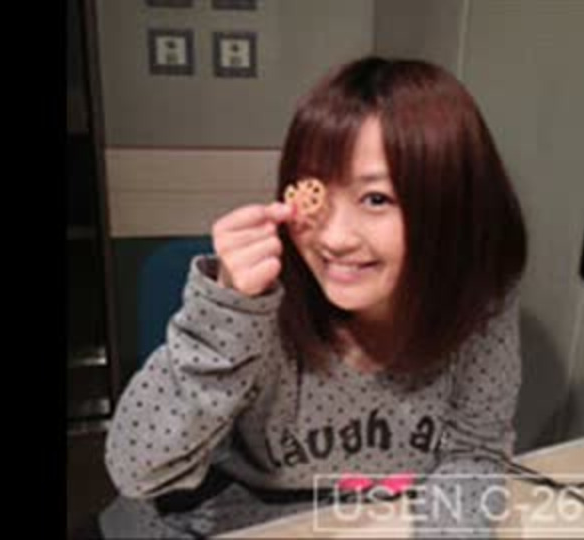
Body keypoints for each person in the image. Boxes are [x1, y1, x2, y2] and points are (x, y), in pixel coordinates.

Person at [95, 55, 527, 538]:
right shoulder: (255, 304)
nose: (334, 238)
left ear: (451, 206)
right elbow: (138, 470)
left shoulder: (477, 303)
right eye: (317, 188)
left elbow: (473, 453)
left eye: (376, 199)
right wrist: (224, 316)